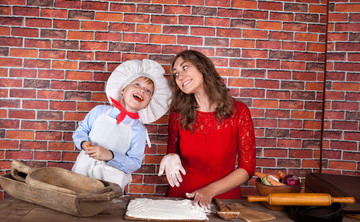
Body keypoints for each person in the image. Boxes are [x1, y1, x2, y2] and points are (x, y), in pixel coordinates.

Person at [158, 50, 256, 209]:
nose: (180, 77)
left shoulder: (240, 112)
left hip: (223, 199)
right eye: (175, 74)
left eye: (185, 68)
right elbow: (173, 154)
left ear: (203, 68)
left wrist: (210, 190)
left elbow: (247, 169)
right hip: (182, 197)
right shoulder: (178, 113)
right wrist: (170, 156)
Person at [72, 59, 172, 190]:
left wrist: (110, 155)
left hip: (110, 188)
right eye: (137, 84)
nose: (142, 90)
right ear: (123, 90)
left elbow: (135, 163)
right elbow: (81, 131)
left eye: (148, 91)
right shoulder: (98, 112)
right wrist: (83, 143)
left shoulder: (139, 131)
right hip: (80, 176)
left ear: (147, 103)